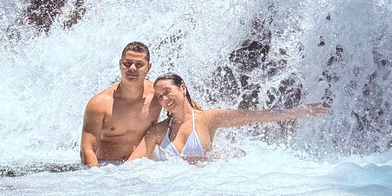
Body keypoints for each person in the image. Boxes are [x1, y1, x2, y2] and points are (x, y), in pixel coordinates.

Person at [128, 72, 328, 162]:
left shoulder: (208, 118)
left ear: (182, 88)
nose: (164, 98)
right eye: (160, 96)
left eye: (167, 91)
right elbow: (132, 167)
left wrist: (299, 112)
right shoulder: (158, 131)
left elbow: (255, 116)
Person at [80, 42, 162, 166]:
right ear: (120, 64)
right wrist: (96, 177)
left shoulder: (158, 95)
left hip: (144, 168)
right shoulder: (100, 104)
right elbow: (87, 150)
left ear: (148, 68)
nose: (132, 68)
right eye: (127, 63)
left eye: (139, 64)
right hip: (107, 168)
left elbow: (188, 113)